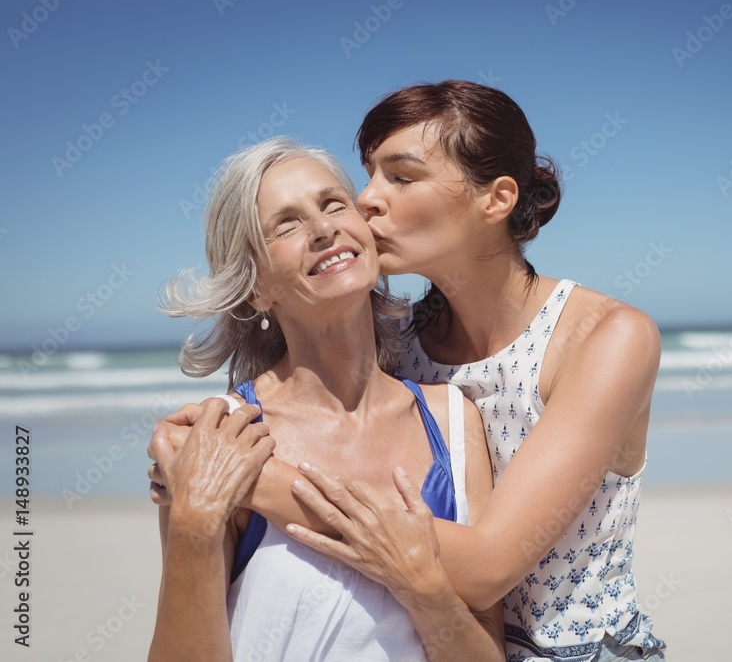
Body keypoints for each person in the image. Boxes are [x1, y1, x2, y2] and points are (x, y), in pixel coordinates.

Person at [152, 80, 666, 661]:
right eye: (367, 176)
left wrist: (256, 482)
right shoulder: (405, 345)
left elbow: (488, 565)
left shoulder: (604, 337)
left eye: (399, 176)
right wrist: (194, 469)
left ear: (496, 199)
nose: (367, 199)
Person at [147, 138, 504, 662]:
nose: (322, 229)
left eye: (334, 203)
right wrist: (196, 520)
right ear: (255, 289)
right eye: (285, 225)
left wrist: (421, 588)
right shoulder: (220, 439)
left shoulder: (453, 420)